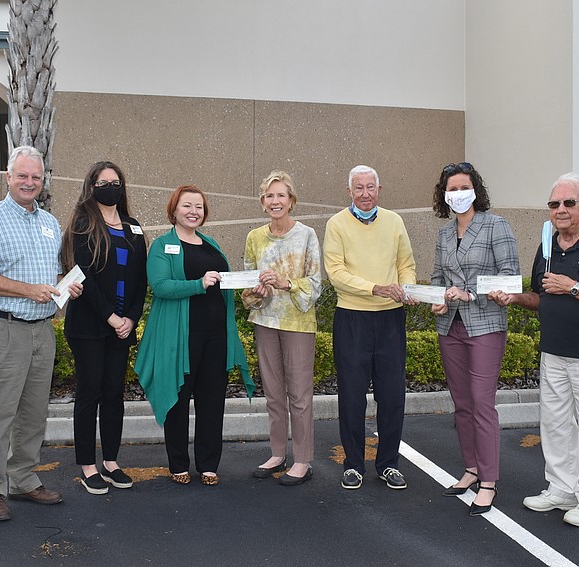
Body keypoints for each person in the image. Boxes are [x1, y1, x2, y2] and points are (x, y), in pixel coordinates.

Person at [492, 173, 579, 527]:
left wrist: (573, 287)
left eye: (569, 203)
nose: (561, 210)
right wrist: (515, 298)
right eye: (554, 204)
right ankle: (561, 489)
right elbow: (541, 298)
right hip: (553, 353)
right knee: (555, 426)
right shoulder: (548, 247)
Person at [0, 146, 83, 521]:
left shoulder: (48, 221)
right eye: (22, 175)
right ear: (8, 177)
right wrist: (28, 289)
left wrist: (63, 286)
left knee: (33, 413)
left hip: (41, 330)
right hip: (3, 330)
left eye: (36, 177)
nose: (29, 182)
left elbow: (46, 276)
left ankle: (23, 478)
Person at [135, 184, 254, 486]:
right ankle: (178, 463)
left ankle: (209, 464)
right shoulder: (163, 246)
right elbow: (160, 286)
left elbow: (223, 282)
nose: (193, 212)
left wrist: (249, 285)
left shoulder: (210, 243)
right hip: (180, 336)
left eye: (199, 207)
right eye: (187, 206)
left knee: (212, 400)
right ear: (174, 210)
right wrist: (198, 284)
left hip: (215, 335)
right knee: (178, 398)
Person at [429, 162, 520, 515]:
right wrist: (438, 299)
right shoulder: (444, 234)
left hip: (485, 325)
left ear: (475, 190)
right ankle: (470, 469)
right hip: (450, 326)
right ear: (444, 195)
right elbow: (438, 276)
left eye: (463, 187)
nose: (457, 194)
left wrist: (470, 294)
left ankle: (489, 481)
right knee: (462, 404)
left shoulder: (496, 226)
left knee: (482, 405)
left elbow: (510, 278)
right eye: (451, 189)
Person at [323, 165, 417, 490]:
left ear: (379, 189)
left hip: (391, 318)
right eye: (358, 188)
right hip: (352, 318)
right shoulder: (336, 224)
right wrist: (376, 288)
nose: (365, 194)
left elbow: (406, 264)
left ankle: (388, 463)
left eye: (370, 187)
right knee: (352, 396)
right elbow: (335, 272)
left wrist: (408, 289)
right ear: (348, 191)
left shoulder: (395, 221)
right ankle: (353, 465)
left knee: (392, 396)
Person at [62, 161, 147, 495]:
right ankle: (87, 465)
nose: (110, 186)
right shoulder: (83, 225)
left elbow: (141, 279)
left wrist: (131, 318)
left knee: (114, 394)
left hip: (122, 327)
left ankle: (111, 462)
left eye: (116, 181)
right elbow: (83, 276)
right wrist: (112, 317)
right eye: (103, 182)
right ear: (91, 186)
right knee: (90, 394)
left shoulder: (134, 227)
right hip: (89, 326)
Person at [241, 171, 322, 486]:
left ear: (291, 201)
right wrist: (258, 294)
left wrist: (286, 283)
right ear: (263, 203)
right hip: (265, 322)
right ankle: (277, 454)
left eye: (281, 196)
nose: (275, 201)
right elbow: (248, 287)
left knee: (299, 395)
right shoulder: (254, 238)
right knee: (273, 393)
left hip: (298, 323)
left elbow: (316, 283)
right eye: (269, 196)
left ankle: (302, 460)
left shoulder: (306, 235)